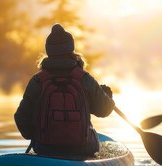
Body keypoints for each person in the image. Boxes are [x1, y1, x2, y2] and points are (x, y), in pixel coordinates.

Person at [14, 24, 114, 157]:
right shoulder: (83, 78)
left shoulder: (38, 80)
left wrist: (36, 134)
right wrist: (107, 95)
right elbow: (104, 110)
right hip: (82, 148)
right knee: (94, 137)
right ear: (71, 49)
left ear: (49, 51)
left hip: (45, 148)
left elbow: (21, 118)